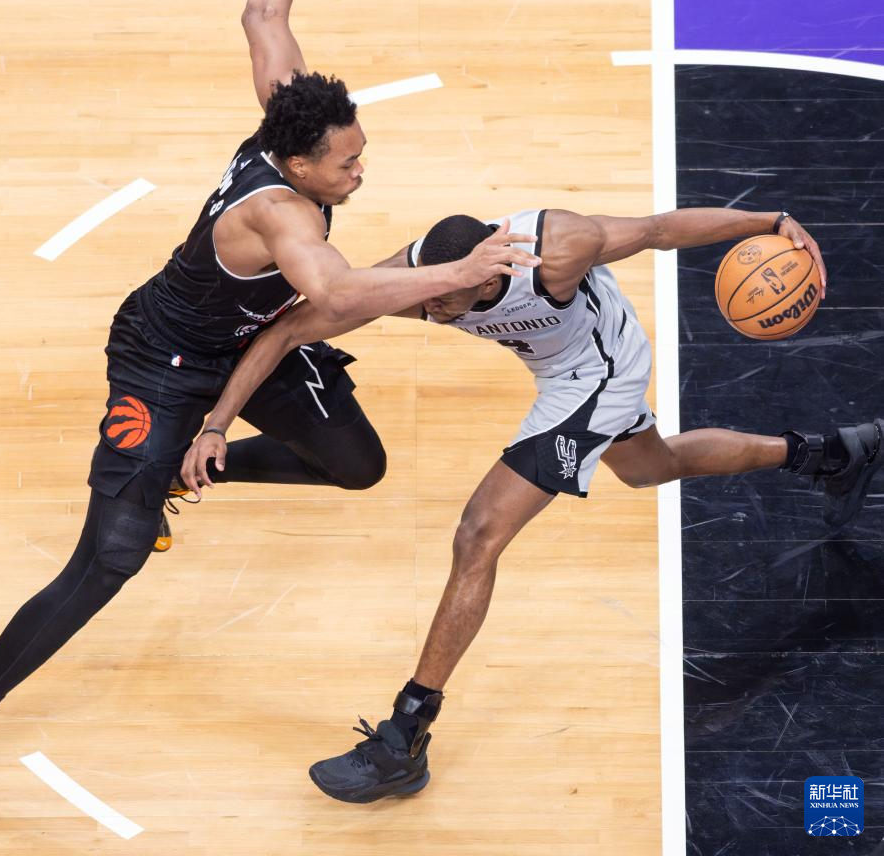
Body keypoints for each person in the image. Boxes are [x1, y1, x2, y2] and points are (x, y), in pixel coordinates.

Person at [0, 0, 541, 832]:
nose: (360, 169)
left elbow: (262, 14)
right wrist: (454, 269)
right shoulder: (285, 217)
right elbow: (335, 292)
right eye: (347, 162)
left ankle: (181, 470)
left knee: (356, 464)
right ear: (299, 164)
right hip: (161, 363)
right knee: (109, 560)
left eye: (360, 150)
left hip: (251, 345)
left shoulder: (288, 117)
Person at [177, 204, 884, 803]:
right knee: (651, 467)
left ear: (489, 277)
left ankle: (404, 738)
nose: (429, 307)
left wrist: (770, 221)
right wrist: (216, 423)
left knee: (477, 535)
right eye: (428, 292)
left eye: (445, 300)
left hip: (601, 374)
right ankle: (830, 453)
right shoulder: (425, 275)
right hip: (559, 370)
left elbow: (657, 229)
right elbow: (295, 328)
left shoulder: (558, 248)